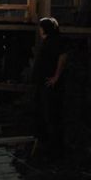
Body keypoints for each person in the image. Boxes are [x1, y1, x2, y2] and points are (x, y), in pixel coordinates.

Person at [31, 17, 68, 159]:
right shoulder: (47, 41)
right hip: (42, 83)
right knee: (42, 113)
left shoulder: (55, 40)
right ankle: (46, 144)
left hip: (49, 84)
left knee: (51, 115)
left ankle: (55, 148)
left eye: (41, 27)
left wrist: (56, 76)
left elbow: (63, 57)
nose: (39, 30)